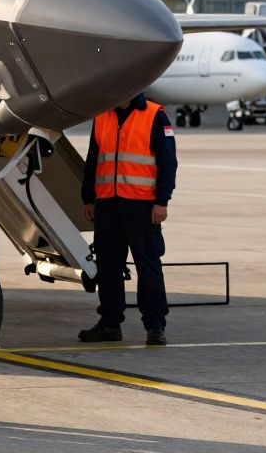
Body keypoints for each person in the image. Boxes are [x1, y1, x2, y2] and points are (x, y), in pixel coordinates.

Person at [78, 92, 177, 346]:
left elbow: (168, 162)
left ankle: (155, 326)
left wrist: (161, 201)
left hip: (142, 207)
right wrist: (88, 197)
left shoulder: (155, 115)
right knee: (109, 268)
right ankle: (110, 324)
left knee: (148, 267)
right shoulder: (102, 115)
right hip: (108, 205)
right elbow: (93, 160)